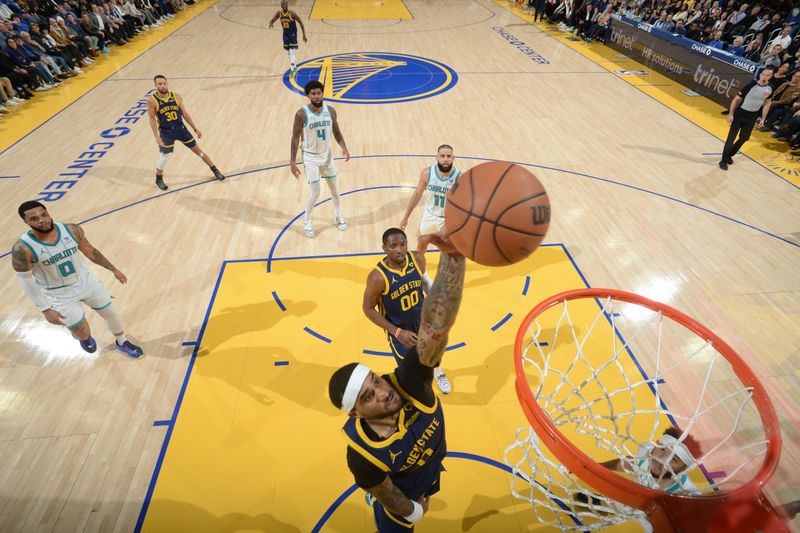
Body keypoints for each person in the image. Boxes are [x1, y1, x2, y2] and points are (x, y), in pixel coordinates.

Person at [329, 231, 466, 531]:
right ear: (355, 413)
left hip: (429, 469)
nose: (382, 391)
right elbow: (392, 497)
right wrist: (414, 512)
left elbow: (442, 319)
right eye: (368, 396)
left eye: (376, 381)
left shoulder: (410, 384)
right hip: (402, 335)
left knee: (431, 359)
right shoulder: (362, 456)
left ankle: (436, 370)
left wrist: (454, 257)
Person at [12, 201, 144, 358]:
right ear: (26, 222)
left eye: (44, 214)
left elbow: (91, 252)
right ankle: (85, 338)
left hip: (85, 281)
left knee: (111, 314)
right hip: (58, 293)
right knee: (81, 330)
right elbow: (26, 281)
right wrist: (45, 309)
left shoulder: (71, 230)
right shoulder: (22, 249)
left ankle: (122, 342)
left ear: (48, 213)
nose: (42, 220)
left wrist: (113, 269)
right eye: (34, 218)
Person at [362, 228, 452, 394]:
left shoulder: (417, 259)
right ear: (384, 248)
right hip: (400, 329)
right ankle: (414, 390)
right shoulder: (377, 277)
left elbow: (425, 282)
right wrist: (397, 332)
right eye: (393, 246)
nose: (399, 250)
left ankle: (438, 374)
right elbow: (367, 309)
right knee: (409, 369)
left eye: (402, 244)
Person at [290, 79, 349, 238]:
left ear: (323, 93)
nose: (317, 96)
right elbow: (295, 138)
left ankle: (338, 216)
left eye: (319, 93)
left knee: (335, 189)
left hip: (327, 156)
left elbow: (337, 131)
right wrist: (293, 162)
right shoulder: (301, 114)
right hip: (310, 157)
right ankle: (306, 220)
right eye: (313, 93)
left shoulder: (330, 111)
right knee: (316, 191)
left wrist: (344, 147)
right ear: (308, 96)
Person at [147, 74, 225, 190]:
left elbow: (185, 113)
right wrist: (156, 137)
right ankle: (158, 179)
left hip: (181, 130)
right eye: (160, 84)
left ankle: (215, 169)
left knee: (199, 151)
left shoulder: (176, 97)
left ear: (167, 83)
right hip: (166, 133)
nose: (163, 86)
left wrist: (195, 128)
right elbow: (152, 119)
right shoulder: (152, 101)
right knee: (164, 157)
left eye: (164, 83)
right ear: (155, 85)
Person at [398, 144, 462, 255]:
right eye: (442, 156)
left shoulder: (459, 178)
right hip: (430, 216)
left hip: (447, 219)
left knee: (450, 249)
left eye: (448, 156)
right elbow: (417, 194)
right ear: (436, 157)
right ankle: (420, 268)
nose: (445, 159)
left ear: (453, 158)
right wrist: (405, 218)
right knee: (422, 243)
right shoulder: (427, 173)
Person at [719, 67, 773, 170]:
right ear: (760, 74)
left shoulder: (770, 88)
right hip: (740, 114)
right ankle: (723, 160)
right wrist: (731, 114)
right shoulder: (751, 85)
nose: (765, 77)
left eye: (768, 75)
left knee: (744, 138)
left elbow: (767, 103)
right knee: (731, 138)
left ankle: (729, 155)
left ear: (771, 76)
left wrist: (763, 119)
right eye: (764, 74)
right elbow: (736, 99)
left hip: (752, 116)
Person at [268, 0, 306, 76]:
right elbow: (273, 19)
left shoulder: (292, 13)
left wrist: (304, 35)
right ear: (281, 5)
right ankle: (294, 66)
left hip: (292, 34)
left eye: (285, 4)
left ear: (287, 5)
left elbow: (301, 22)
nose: (284, 5)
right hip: (285, 34)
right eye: (282, 4)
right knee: (288, 52)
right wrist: (271, 22)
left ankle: (292, 69)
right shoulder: (279, 13)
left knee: (292, 51)